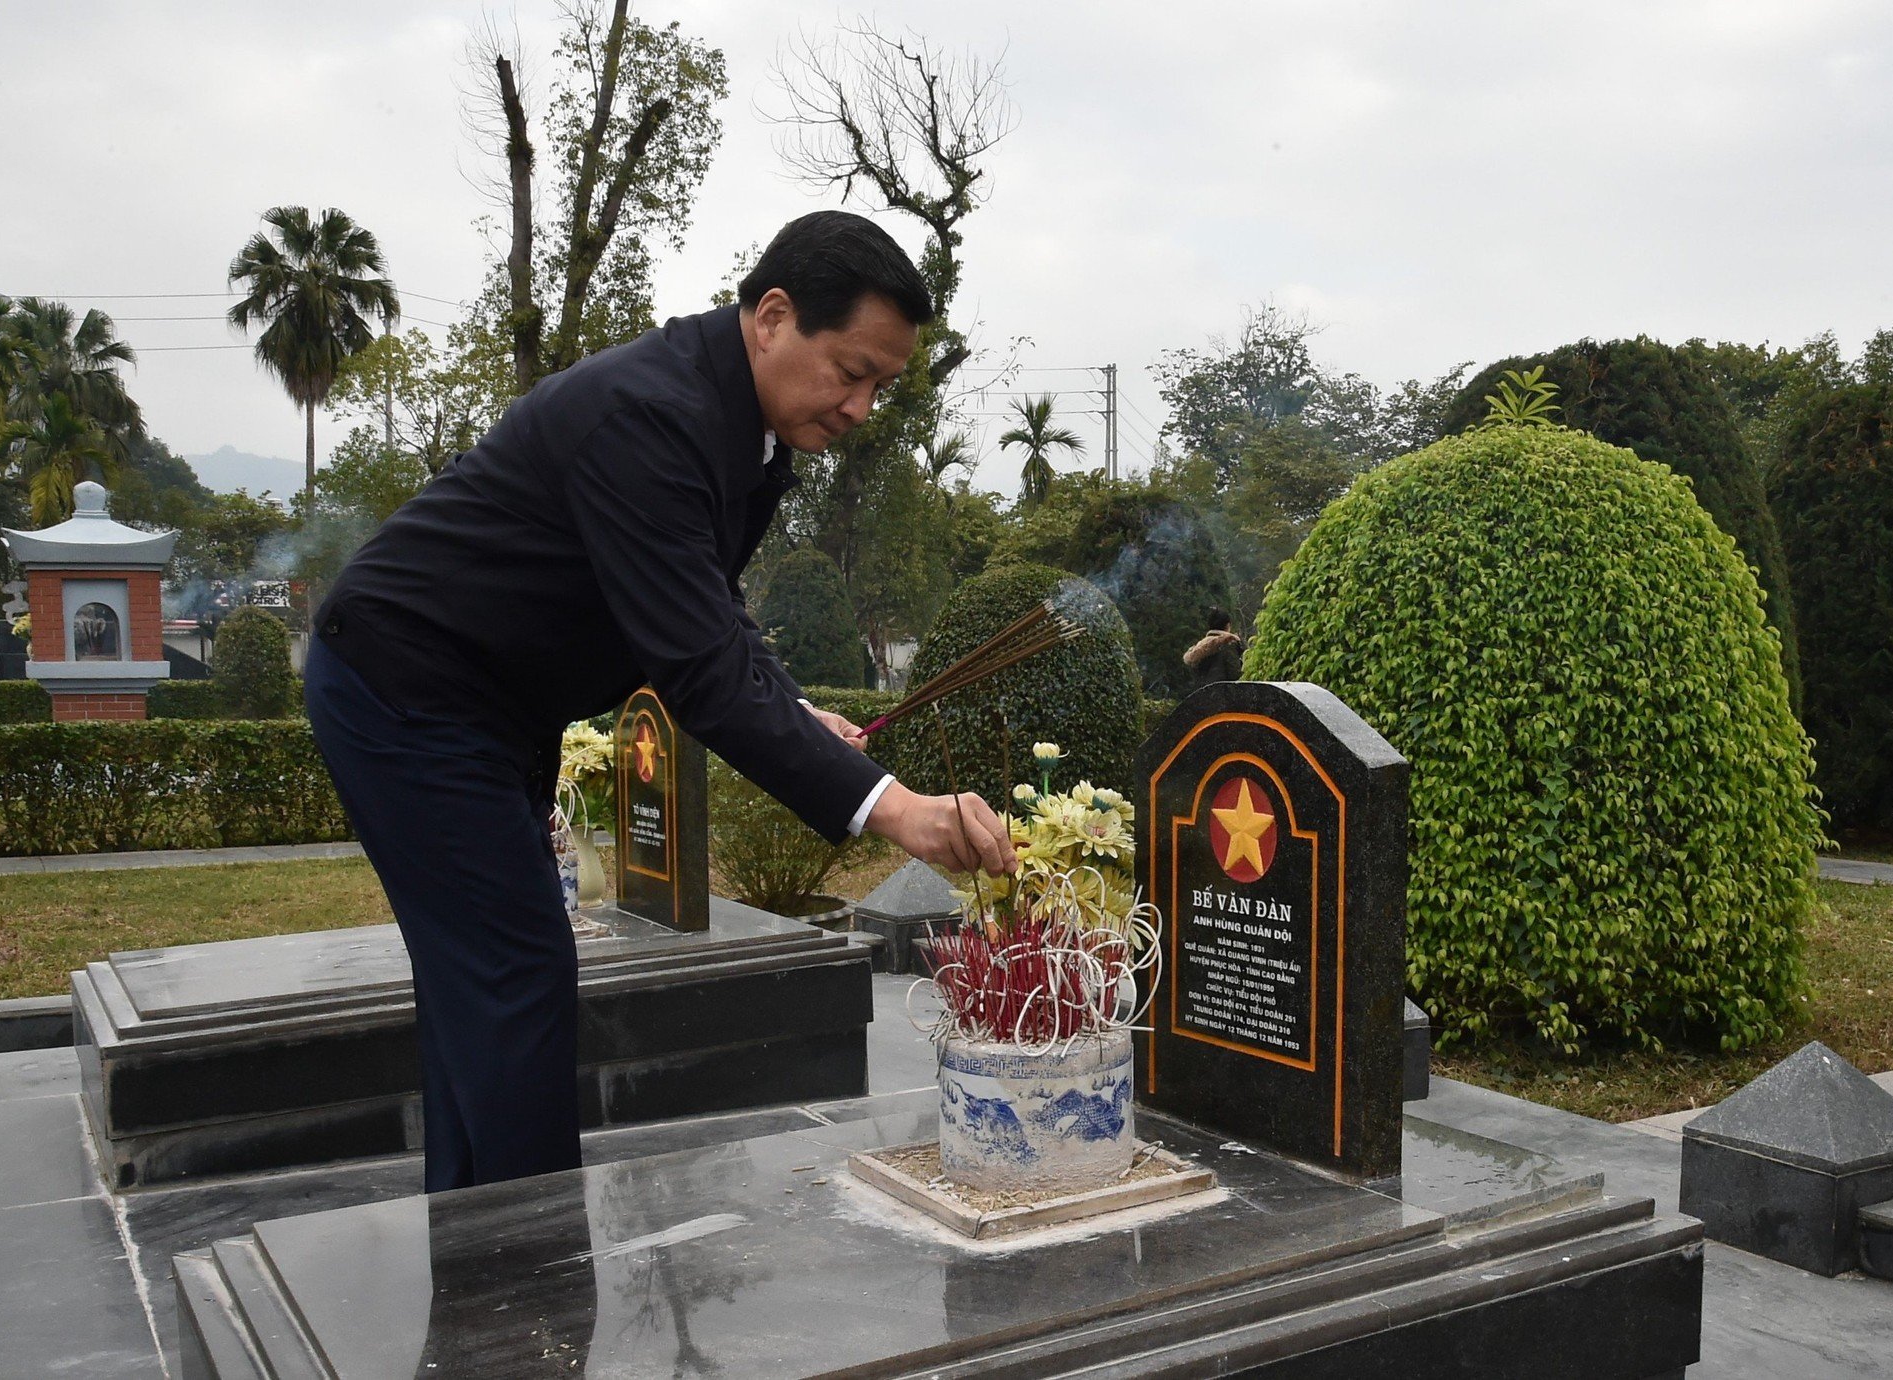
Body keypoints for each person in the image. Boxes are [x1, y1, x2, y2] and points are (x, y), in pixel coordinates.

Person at [304, 211, 1015, 1193]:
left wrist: (794, 711)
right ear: (772, 316)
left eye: (878, 388)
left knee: (488, 989)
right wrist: (895, 809)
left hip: (481, 705)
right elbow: (700, 668)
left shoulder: (745, 434)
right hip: (406, 693)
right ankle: (529, 1290)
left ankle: (485, 1251)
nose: (858, 407)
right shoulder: (649, 413)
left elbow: (700, 617)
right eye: (850, 371)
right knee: (515, 980)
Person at [1183, 607, 1243, 686]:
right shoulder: (1228, 644)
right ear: (1228, 625)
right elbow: (1235, 675)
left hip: (1201, 695)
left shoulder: (1198, 648)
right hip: (1223, 694)